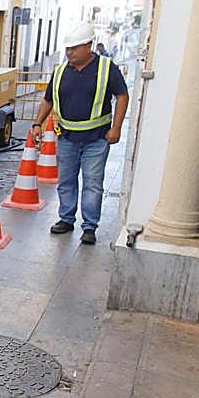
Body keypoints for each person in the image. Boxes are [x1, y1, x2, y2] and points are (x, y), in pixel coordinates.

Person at [32, 22, 128, 245]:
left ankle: (89, 226)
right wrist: (37, 123)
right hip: (67, 138)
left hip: (97, 139)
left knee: (93, 183)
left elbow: (122, 95)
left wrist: (116, 128)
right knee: (66, 181)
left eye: (74, 48)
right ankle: (66, 219)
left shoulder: (106, 68)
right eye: (67, 48)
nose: (69, 53)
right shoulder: (61, 71)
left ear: (88, 46)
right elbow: (48, 100)